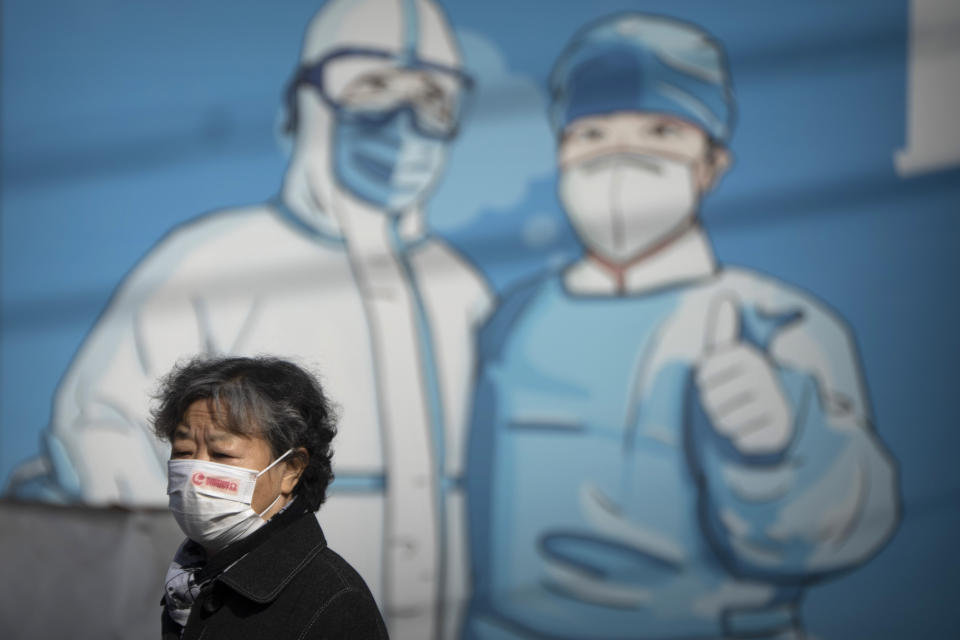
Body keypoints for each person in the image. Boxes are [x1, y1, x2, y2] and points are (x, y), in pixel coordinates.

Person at [9, 1, 492, 637]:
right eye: (371, 93)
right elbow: (96, 435)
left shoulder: (461, 289)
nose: (401, 130)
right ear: (308, 106)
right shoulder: (209, 263)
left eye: (432, 102)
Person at [463, 13, 900, 639]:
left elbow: (842, 528)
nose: (619, 155)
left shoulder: (774, 324)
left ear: (712, 163)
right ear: (560, 153)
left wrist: (783, 447)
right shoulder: (510, 322)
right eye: (592, 133)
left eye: (661, 129)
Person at [154, 355, 387, 639]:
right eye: (183, 451)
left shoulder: (333, 602)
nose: (196, 474)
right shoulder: (188, 582)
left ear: (290, 469)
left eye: (222, 454)